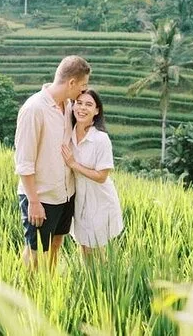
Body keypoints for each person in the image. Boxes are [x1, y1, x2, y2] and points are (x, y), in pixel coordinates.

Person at [14, 55, 91, 269]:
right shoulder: (34, 109)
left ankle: (49, 283)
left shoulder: (69, 106)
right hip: (42, 196)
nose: (84, 91)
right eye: (83, 86)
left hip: (65, 193)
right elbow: (24, 162)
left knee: (56, 243)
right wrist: (34, 202)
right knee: (36, 251)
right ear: (72, 82)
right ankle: (25, 288)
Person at [61, 89, 124, 258]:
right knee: (83, 245)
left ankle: (103, 275)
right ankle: (87, 275)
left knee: (95, 249)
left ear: (96, 111)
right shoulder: (69, 133)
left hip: (99, 200)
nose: (82, 108)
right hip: (79, 198)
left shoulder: (101, 139)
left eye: (88, 104)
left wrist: (74, 164)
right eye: (79, 103)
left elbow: (102, 176)